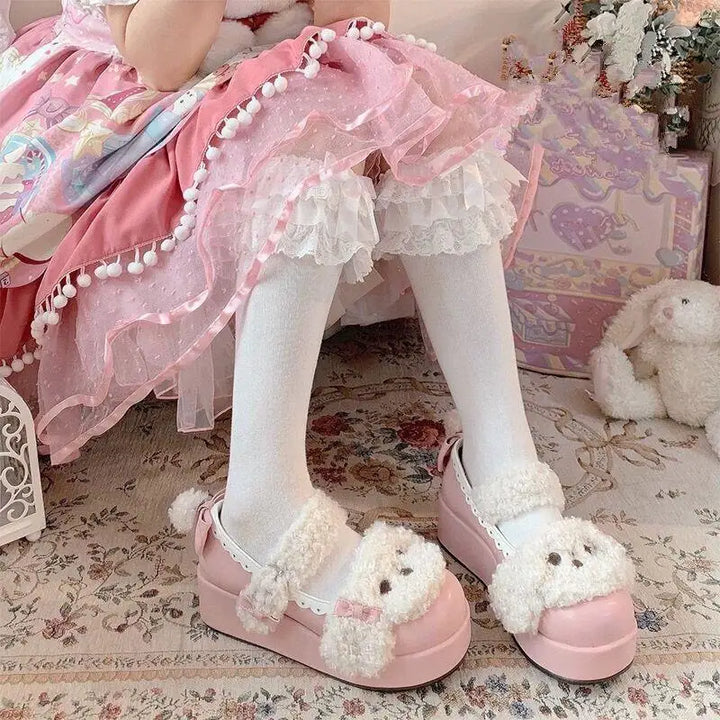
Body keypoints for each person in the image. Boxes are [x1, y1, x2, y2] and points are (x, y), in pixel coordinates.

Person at [0, 0, 637, 689]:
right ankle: (259, 513)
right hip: (149, 92)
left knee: (424, 124)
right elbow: (159, 60)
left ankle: (499, 463)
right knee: (303, 162)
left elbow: (356, 21)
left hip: (284, 71)